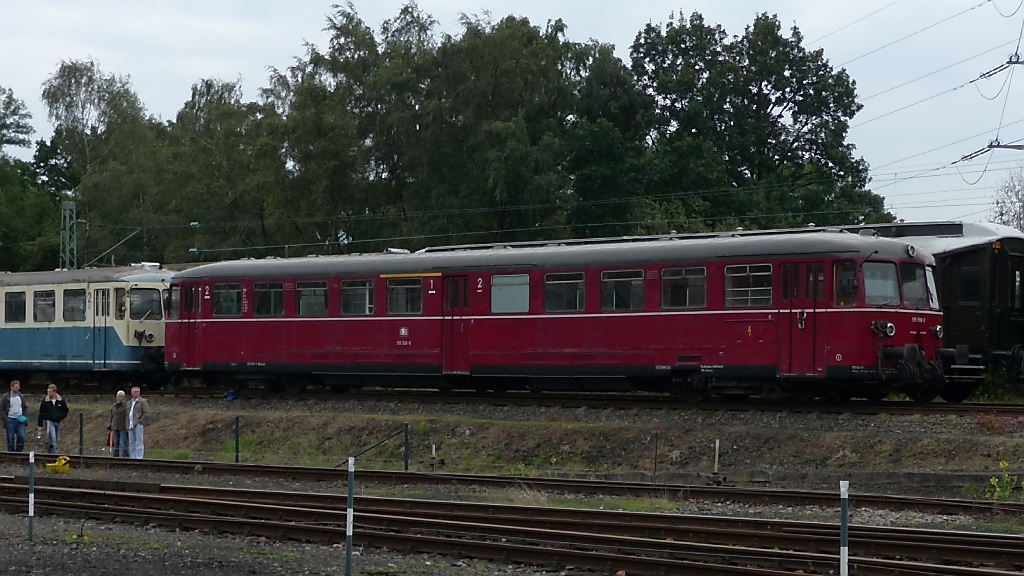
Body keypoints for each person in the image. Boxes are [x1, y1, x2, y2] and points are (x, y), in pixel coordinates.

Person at [37, 384, 69, 454]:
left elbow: (66, 410)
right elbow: (41, 412)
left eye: (50, 392)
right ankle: (53, 454)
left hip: (58, 421)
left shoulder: (60, 401)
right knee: (53, 438)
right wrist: (40, 425)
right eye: (48, 392)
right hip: (49, 421)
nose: (48, 393)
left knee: (56, 439)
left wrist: (61, 417)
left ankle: (50, 451)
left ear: (54, 392)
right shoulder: (45, 401)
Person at [1, 380, 28, 452]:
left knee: (21, 436)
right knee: (10, 438)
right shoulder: (6, 397)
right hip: (10, 419)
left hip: (20, 419)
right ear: (12, 387)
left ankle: (19, 452)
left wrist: (24, 416)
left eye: (18, 387)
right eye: (16, 387)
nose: (18, 388)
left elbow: (24, 407)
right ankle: (11, 453)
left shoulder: (21, 396)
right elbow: (2, 408)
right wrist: (5, 418)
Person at [127, 386, 149, 459]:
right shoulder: (130, 402)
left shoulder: (143, 401)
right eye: (135, 392)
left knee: (139, 442)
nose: (137, 393)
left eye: (138, 392)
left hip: (138, 424)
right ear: (132, 393)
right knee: (132, 443)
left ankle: (139, 457)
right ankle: (133, 457)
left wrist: (140, 421)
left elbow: (146, 413)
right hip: (130, 424)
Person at [108, 390, 129, 457]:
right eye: (119, 396)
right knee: (116, 443)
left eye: (122, 397)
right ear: (117, 397)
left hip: (123, 427)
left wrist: (127, 426)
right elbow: (112, 416)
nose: (120, 398)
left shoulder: (126, 406)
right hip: (115, 427)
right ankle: (115, 457)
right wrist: (110, 425)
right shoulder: (114, 406)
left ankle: (125, 457)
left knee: (124, 444)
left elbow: (127, 416)